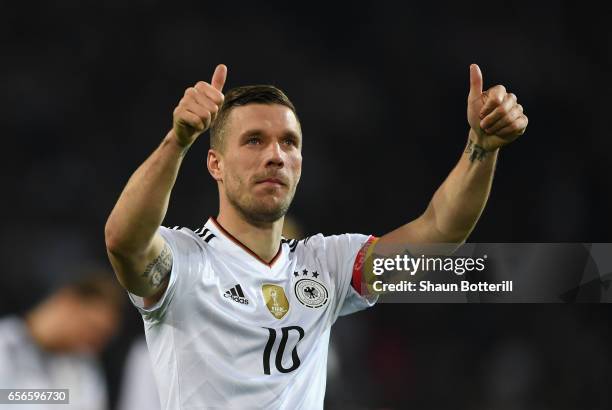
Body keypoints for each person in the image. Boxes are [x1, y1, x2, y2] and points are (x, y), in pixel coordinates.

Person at [104, 63, 528, 409]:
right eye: (254, 141)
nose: (275, 155)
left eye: (289, 143)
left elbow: (439, 231)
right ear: (215, 164)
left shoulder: (327, 264)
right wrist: (178, 140)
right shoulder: (185, 263)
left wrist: (482, 147)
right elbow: (125, 240)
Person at [0, 274, 122, 410]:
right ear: (68, 302)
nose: (92, 345)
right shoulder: (4, 343)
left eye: (102, 339)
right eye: (92, 328)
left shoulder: (84, 368)